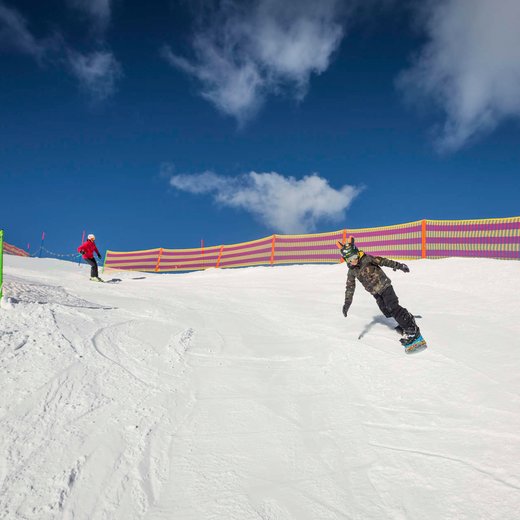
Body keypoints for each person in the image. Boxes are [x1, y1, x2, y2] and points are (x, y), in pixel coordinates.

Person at [340, 236, 422, 348]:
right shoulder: (352, 271)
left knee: (393, 307)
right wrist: (347, 303)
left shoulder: (367, 259)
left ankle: (411, 330)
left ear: (357, 253)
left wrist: (399, 266)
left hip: (385, 287)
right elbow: (350, 287)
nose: (352, 261)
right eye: (348, 259)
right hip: (376, 293)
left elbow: (383, 261)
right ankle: (407, 318)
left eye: (354, 257)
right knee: (387, 312)